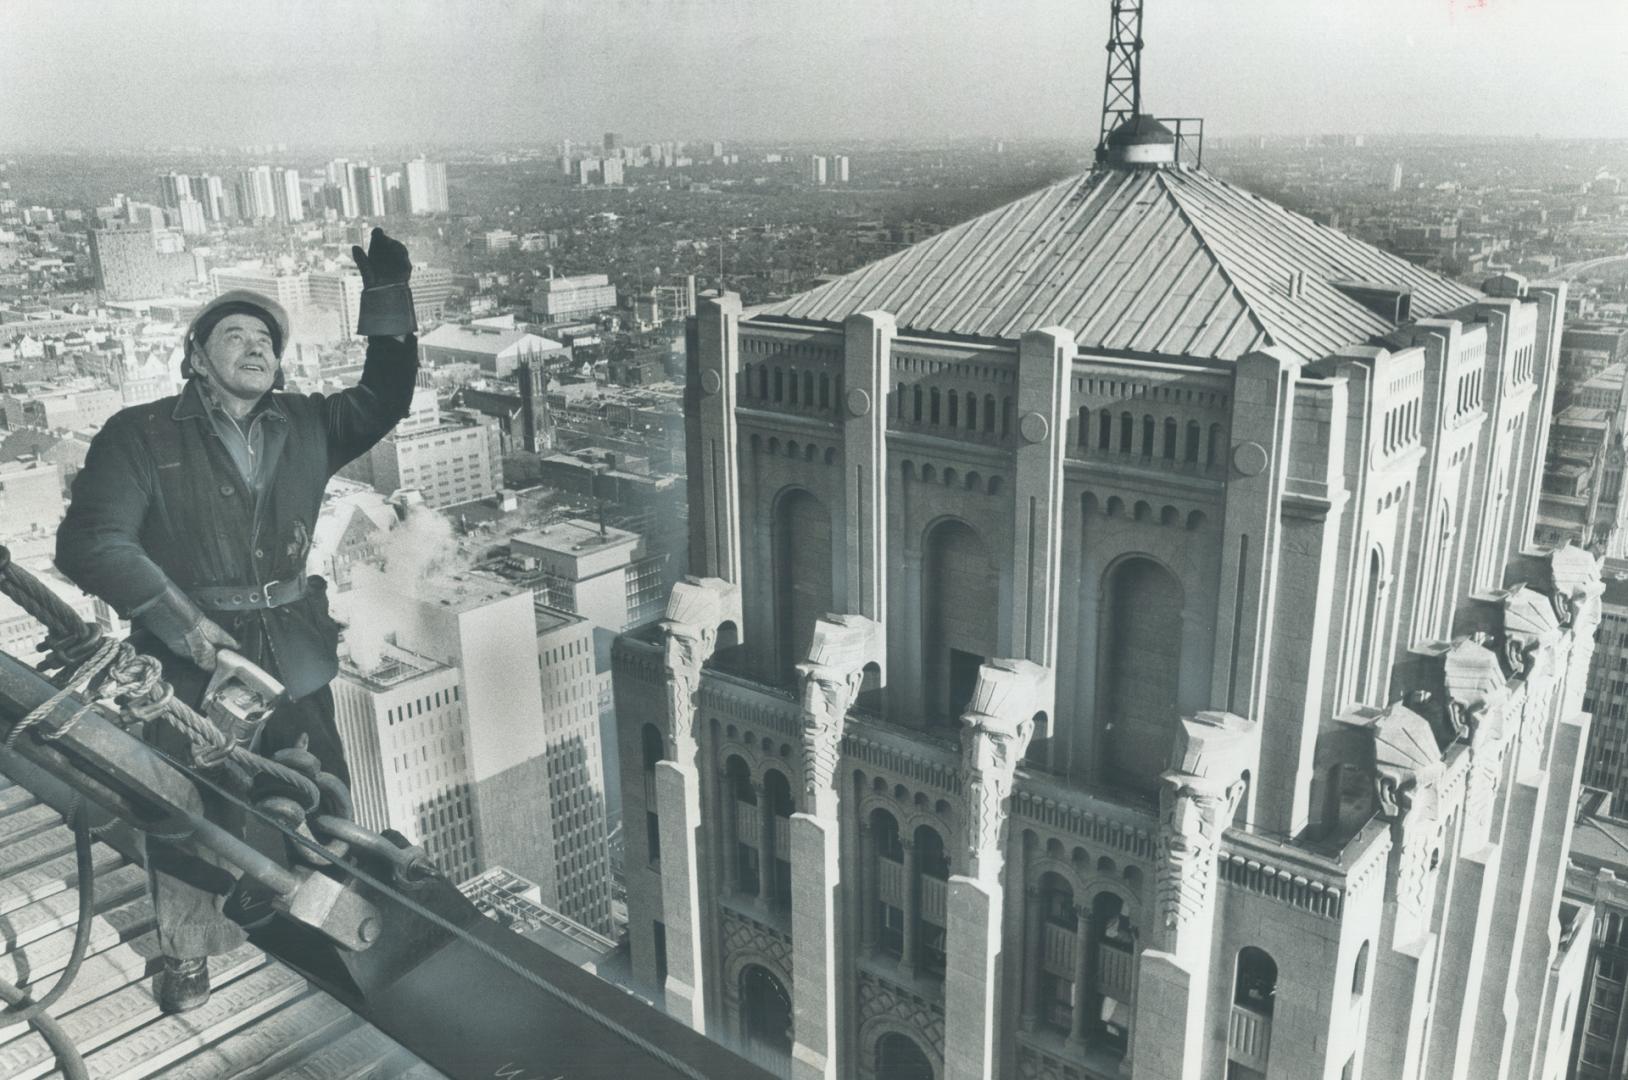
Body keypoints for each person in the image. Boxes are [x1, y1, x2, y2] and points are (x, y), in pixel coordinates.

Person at [55, 227, 419, 1013]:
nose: (255, 346)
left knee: (320, 799)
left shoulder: (308, 423)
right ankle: (189, 949)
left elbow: (387, 396)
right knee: (186, 807)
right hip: (188, 664)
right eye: (235, 334)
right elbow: (90, 541)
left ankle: (337, 936)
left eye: (266, 338)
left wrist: (388, 295)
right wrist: (186, 627)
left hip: (293, 653)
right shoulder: (141, 434)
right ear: (195, 355)